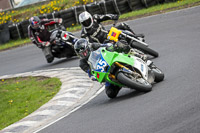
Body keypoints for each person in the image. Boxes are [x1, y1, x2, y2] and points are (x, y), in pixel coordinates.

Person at [79, 11, 144, 44]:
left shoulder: (95, 18)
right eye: (84, 22)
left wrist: (113, 16)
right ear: (82, 24)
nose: (87, 23)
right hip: (104, 44)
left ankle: (136, 37)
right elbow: (89, 43)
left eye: (88, 21)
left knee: (123, 25)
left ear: (90, 18)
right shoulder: (84, 33)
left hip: (109, 34)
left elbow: (105, 16)